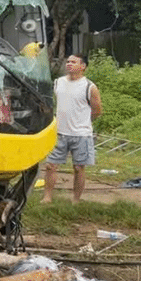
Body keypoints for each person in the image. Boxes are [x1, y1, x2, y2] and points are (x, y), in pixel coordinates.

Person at [42, 53, 102, 203]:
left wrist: (83, 122)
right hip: (59, 133)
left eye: (73, 62)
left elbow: (97, 110)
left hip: (81, 134)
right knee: (50, 166)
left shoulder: (89, 87)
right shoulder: (58, 82)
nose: (69, 64)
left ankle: (76, 200)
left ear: (83, 66)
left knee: (79, 168)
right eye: (68, 61)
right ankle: (47, 197)